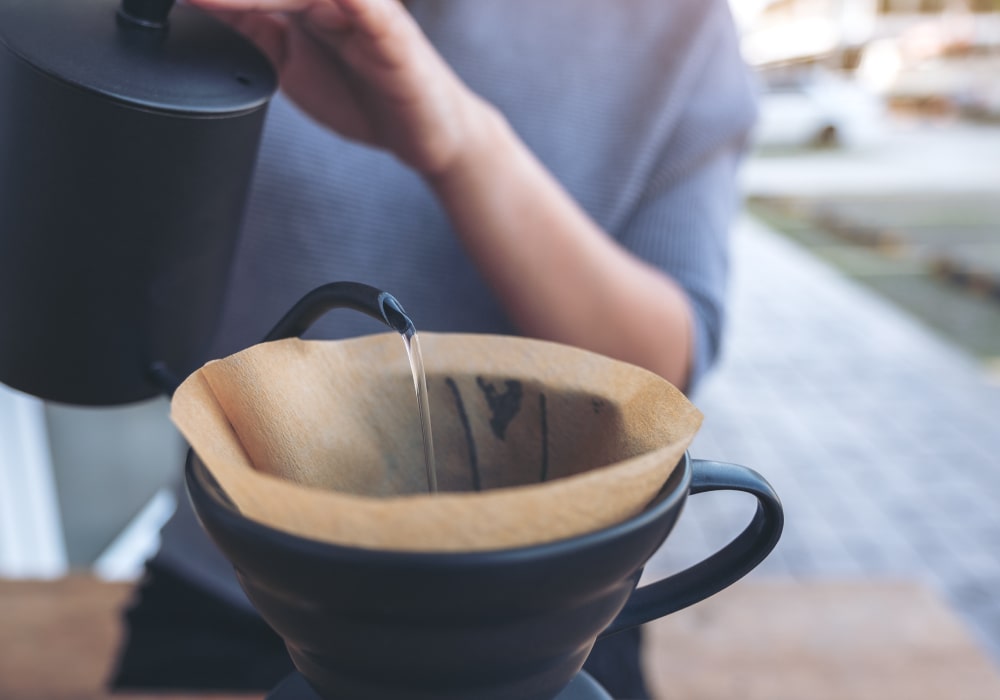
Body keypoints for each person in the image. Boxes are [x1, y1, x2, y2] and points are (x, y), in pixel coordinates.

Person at [112, 0, 757, 697]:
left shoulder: (675, 25)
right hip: (242, 588)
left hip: (547, 617)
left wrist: (461, 143)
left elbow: (657, 381)